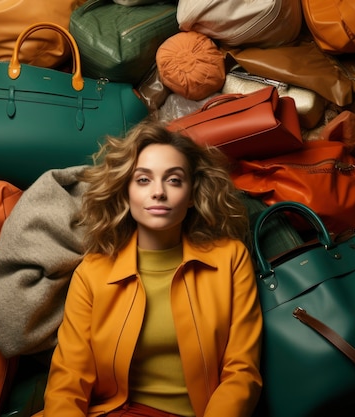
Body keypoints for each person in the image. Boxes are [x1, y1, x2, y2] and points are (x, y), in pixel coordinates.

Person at [40, 120, 263, 417]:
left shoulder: (230, 259)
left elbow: (242, 372)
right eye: (143, 180)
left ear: (193, 195)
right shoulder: (92, 273)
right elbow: (68, 380)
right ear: (125, 191)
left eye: (174, 180)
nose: (158, 192)